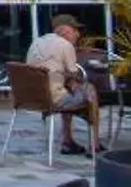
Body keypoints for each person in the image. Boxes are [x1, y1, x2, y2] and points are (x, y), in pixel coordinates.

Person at [24, 16, 99, 156]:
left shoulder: (36, 42)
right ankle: (94, 144)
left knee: (67, 87)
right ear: (64, 31)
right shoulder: (66, 45)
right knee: (89, 89)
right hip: (53, 100)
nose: (78, 34)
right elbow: (74, 75)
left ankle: (67, 142)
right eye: (75, 30)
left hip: (32, 98)